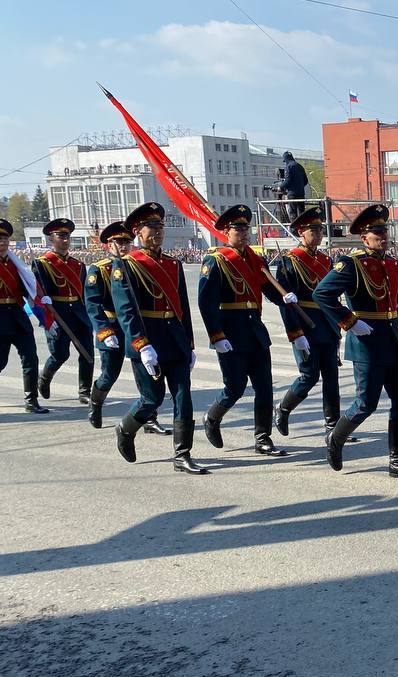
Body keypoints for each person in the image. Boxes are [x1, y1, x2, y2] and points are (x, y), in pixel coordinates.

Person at [313, 203, 398, 480]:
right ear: (364, 238)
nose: (383, 237)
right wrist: (350, 321)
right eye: (377, 233)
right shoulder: (351, 264)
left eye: (385, 231)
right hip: (367, 341)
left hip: (393, 340)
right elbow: (322, 294)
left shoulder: (392, 262)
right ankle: (336, 437)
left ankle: (397, 460)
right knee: (366, 404)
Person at [110, 202, 207, 474]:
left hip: (174, 338)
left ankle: (182, 454)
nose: (157, 231)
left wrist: (189, 344)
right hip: (148, 339)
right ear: (138, 232)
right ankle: (126, 427)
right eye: (151, 226)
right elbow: (126, 310)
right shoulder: (126, 266)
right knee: (152, 399)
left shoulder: (173, 264)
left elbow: (182, 307)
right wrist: (142, 345)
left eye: (160, 226)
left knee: (183, 397)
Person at [198, 204, 295, 457]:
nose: (243, 233)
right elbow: (206, 303)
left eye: (245, 229)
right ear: (226, 232)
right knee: (235, 387)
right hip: (231, 332)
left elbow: (269, 289)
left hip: (255, 331)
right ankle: (212, 417)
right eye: (237, 229)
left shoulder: (255, 260)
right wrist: (216, 335)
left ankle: (263, 437)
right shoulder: (217, 261)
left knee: (264, 387)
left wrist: (284, 297)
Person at [85, 221, 169, 435]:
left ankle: (150, 418)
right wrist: (104, 331)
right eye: (119, 242)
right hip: (113, 328)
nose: (124, 246)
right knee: (109, 374)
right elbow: (93, 305)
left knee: (147, 375)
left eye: (127, 242)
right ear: (108, 245)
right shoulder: (99, 269)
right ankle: (96, 402)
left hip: (135, 328)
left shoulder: (136, 265)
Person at [273, 206, 348, 443]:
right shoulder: (289, 261)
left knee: (331, 377)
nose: (318, 234)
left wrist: (338, 324)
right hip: (304, 323)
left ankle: (333, 426)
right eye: (312, 230)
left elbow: (333, 295)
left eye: (320, 229)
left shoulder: (326, 260)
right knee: (309, 376)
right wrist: (295, 333)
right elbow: (286, 302)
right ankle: (283, 408)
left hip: (326, 324)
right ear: (301, 232)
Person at [32, 217, 94, 404]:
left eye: (67, 236)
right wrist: (47, 318)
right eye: (61, 236)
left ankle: (84, 391)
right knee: (60, 354)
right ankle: (44, 377)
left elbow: (84, 293)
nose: (65, 240)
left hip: (78, 313)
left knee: (87, 353)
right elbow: (39, 295)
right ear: (51, 238)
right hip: (57, 313)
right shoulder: (42, 264)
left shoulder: (78, 265)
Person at [0, 218, 47, 414]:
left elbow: (27, 287)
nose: (2, 242)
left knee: (30, 359)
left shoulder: (16, 264)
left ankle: (31, 400)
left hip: (18, 316)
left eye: (5, 238)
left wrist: (40, 298)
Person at [281, 151, 309, 224]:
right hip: (301, 194)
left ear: (286, 159)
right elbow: (306, 181)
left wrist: (280, 186)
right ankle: (302, 227)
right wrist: (299, 186)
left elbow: (288, 181)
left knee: (293, 213)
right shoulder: (300, 166)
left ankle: (295, 229)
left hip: (292, 194)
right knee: (301, 213)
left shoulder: (289, 167)